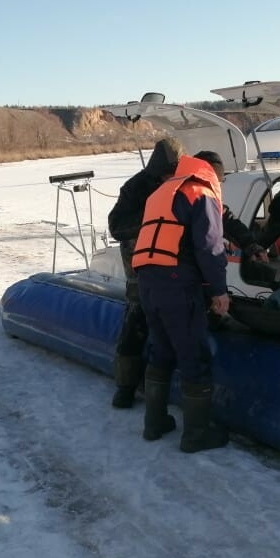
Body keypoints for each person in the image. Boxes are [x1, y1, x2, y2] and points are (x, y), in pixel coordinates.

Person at [132, 152, 231, 453]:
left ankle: (154, 423)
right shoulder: (199, 191)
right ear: (212, 174)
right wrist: (219, 291)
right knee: (194, 357)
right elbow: (210, 246)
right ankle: (196, 435)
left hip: (148, 283)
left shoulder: (162, 192)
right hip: (178, 286)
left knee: (161, 350)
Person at [106, 137, 184, 408]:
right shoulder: (135, 188)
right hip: (140, 265)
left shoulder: (185, 183)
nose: (167, 179)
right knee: (135, 322)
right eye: (164, 174)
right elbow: (116, 227)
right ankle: (125, 386)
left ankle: (165, 385)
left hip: (175, 264)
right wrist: (153, 214)